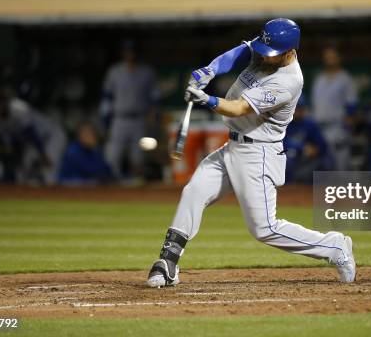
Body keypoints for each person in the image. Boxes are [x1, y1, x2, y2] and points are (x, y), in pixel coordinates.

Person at [147, 18, 356, 287]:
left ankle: (335, 247)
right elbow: (240, 53)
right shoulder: (268, 50)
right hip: (233, 146)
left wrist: (207, 100)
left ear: (289, 52)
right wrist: (209, 71)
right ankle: (168, 262)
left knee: (264, 229)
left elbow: (238, 109)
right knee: (194, 191)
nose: (264, 57)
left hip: (259, 154)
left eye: (272, 55)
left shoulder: (288, 81)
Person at [100, 39, 158, 179]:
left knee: (137, 156)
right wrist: (105, 122)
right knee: (112, 155)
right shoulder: (115, 71)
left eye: (132, 50)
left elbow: (155, 98)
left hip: (139, 119)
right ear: (123, 53)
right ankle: (110, 187)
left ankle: (134, 188)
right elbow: (106, 98)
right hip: (119, 118)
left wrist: (153, 116)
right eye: (127, 50)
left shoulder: (146, 72)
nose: (130, 53)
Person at [0, 93, 66, 185]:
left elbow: (31, 133)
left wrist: (42, 154)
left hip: (51, 135)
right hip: (31, 142)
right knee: (25, 168)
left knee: (47, 167)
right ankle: (26, 196)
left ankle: (53, 195)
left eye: (1, 103)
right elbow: (11, 141)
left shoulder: (18, 107)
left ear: (6, 102)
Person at [311, 45, 358, 170]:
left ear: (339, 58)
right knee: (320, 171)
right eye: (327, 56)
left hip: (337, 128)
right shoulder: (319, 79)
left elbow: (352, 106)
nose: (329, 59)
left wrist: (346, 130)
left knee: (340, 170)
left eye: (333, 56)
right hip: (319, 130)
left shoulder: (346, 79)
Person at [283, 94, 333, 183]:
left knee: (325, 163)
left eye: (301, 108)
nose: (298, 111)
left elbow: (322, 146)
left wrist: (315, 150)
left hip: (305, 161)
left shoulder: (310, 124)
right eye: (296, 108)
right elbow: (280, 143)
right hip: (288, 158)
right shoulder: (284, 124)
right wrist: (302, 147)